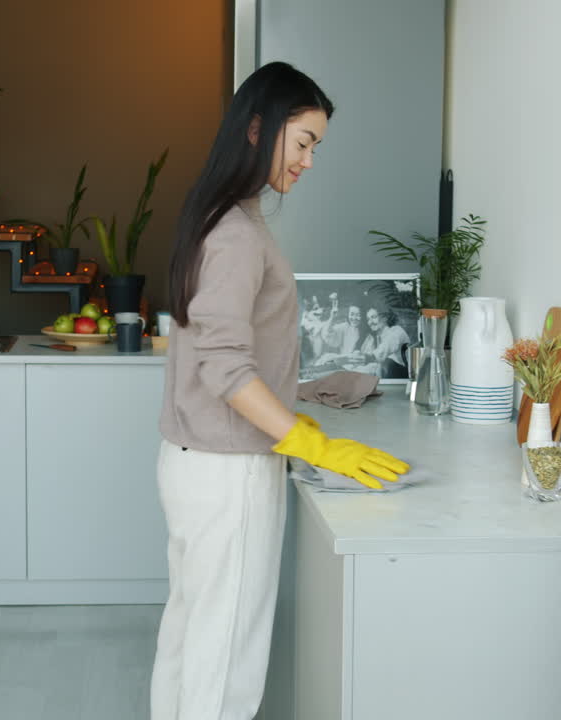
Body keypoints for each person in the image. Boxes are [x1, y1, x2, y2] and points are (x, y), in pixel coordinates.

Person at [154, 62, 408, 719]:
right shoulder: (237, 234)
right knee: (227, 649)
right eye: (303, 143)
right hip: (230, 472)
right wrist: (306, 441)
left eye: (315, 148)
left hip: (194, 466)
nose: (309, 161)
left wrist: (313, 398)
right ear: (258, 129)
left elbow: (233, 352)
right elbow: (226, 366)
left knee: (192, 633)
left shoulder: (217, 216)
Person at [346, 308, 411, 378]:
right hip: (390, 377)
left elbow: (387, 347)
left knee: (387, 363)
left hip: (403, 376)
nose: (370, 322)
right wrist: (353, 370)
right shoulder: (378, 338)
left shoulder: (397, 331)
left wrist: (369, 357)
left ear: (384, 318)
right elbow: (375, 365)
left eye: (373, 317)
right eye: (368, 319)